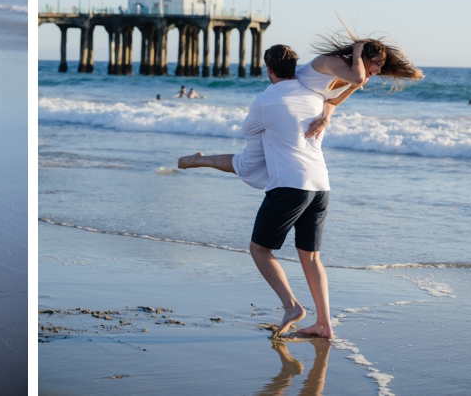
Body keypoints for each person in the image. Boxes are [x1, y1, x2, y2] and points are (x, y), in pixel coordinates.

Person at [176, 45, 335, 338]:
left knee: (259, 249)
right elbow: (335, 95)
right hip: (321, 184)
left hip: (289, 185)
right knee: (311, 257)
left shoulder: (265, 100)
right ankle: (324, 324)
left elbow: (249, 133)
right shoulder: (313, 94)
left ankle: (292, 306)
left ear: (269, 70)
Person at [295, 33, 423, 139]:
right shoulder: (333, 61)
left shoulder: (358, 80)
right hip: (286, 100)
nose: (379, 70)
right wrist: (357, 54)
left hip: (302, 117)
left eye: (381, 66)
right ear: (362, 58)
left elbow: (332, 103)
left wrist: (326, 118)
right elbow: (358, 78)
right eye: (377, 63)